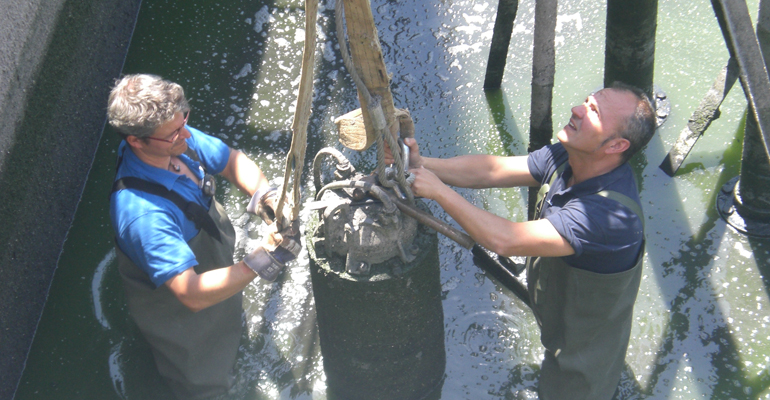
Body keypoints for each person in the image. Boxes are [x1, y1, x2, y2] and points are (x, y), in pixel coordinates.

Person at [404, 82, 656, 399]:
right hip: (559, 302)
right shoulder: (573, 153)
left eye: (593, 112)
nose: (577, 109)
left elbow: (505, 240)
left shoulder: (608, 217)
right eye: (586, 101)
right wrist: (423, 165)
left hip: (582, 348)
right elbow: (492, 170)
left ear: (616, 145)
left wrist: (438, 191)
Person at [107, 74, 300, 399]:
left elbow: (230, 161)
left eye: (185, 120)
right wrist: (260, 260)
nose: (185, 134)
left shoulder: (173, 139)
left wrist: (265, 194)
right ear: (136, 141)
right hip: (180, 312)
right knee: (203, 381)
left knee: (228, 320)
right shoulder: (143, 216)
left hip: (209, 252)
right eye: (173, 133)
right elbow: (192, 294)